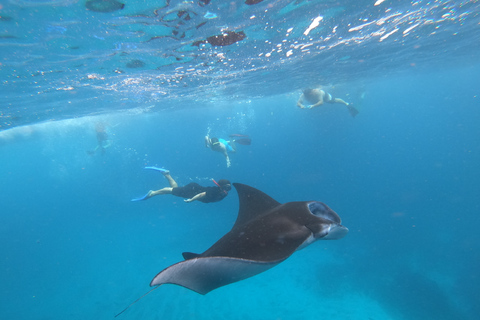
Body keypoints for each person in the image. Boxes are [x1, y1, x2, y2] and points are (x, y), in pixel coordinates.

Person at [131, 167, 231, 203]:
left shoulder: (223, 193)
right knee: (170, 190)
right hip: (193, 191)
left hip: (194, 189)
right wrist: (191, 200)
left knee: (175, 189)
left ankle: (167, 174)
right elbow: (201, 195)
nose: (227, 190)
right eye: (226, 188)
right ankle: (153, 193)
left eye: (229, 188)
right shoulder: (216, 191)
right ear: (220, 186)